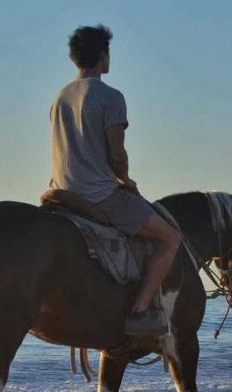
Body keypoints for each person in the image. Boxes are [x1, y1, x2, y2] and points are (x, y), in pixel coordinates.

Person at [49, 24, 181, 337]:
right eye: (109, 52)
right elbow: (116, 155)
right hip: (99, 194)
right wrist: (127, 181)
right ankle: (139, 312)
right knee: (171, 239)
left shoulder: (60, 97)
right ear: (102, 55)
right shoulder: (109, 96)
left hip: (60, 191)